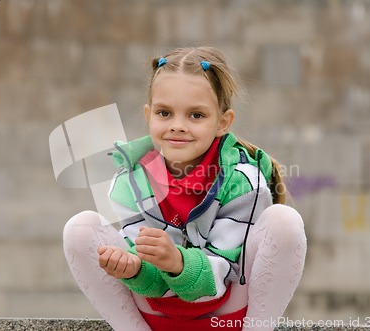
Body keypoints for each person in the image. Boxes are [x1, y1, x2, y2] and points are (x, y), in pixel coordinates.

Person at [63, 46, 307, 331]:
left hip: (225, 313)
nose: (177, 126)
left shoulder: (243, 181)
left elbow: (221, 275)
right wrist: (133, 268)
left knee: (285, 221)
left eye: (196, 116)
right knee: (80, 228)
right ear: (148, 115)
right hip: (156, 312)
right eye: (165, 113)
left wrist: (177, 261)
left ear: (222, 122)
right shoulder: (129, 181)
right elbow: (149, 279)